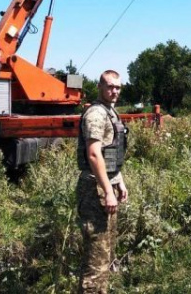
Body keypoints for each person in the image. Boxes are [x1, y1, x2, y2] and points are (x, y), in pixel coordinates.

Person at [76, 70, 129, 294]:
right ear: (99, 87)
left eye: (117, 87)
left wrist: (119, 181)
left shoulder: (111, 112)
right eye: (109, 86)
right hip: (94, 189)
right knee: (96, 256)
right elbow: (94, 155)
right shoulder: (96, 114)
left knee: (106, 250)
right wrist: (108, 191)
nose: (114, 91)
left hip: (107, 184)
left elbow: (110, 154)